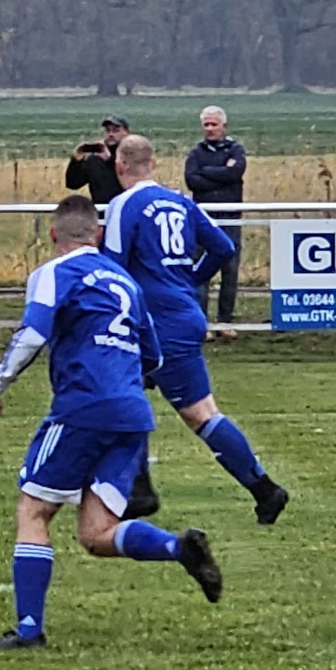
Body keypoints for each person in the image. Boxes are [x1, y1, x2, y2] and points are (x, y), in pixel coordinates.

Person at [0, 194, 222, 651]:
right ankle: (179, 548)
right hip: (132, 413)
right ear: (98, 234)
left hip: (83, 407)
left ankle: (29, 630)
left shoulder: (54, 273)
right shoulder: (125, 280)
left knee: (33, 511)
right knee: (96, 534)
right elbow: (153, 356)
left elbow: (32, 333)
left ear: (53, 234)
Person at [104, 135, 289, 525]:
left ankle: (261, 489)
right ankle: (141, 487)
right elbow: (222, 247)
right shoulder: (180, 201)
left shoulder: (123, 205)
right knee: (144, 397)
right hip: (183, 314)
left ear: (119, 165)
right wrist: (190, 280)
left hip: (152, 322)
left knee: (178, 409)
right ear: (153, 164)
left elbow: (114, 267)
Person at [184, 106, 246, 340]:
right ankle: (202, 322)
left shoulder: (236, 150)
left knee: (230, 270)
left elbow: (235, 174)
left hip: (230, 218)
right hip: (203, 220)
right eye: (206, 125)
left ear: (224, 126)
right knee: (201, 270)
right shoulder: (196, 153)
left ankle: (224, 321)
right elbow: (192, 180)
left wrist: (207, 172)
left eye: (214, 124)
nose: (210, 129)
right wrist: (221, 174)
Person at [64, 114, 130, 205]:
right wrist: (76, 160)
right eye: (108, 131)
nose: (111, 134)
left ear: (126, 133)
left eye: (116, 131)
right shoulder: (95, 159)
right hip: (100, 209)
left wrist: (109, 160)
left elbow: (130, 184)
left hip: (125, 206)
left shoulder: (133, 154)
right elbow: (72, 184)